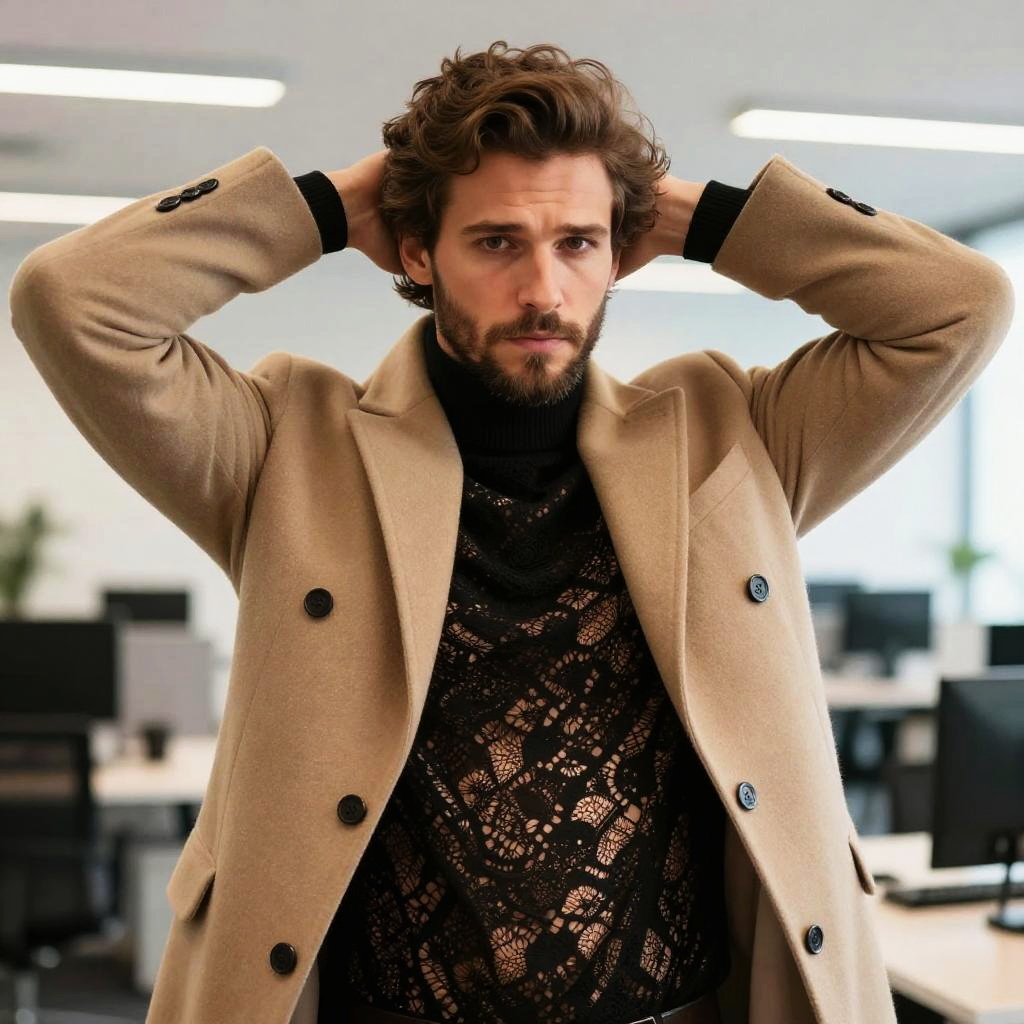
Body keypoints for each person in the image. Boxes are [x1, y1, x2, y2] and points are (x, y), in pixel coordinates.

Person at [9, 39, 1014, 1024]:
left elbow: (959, 307)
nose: (543, 289)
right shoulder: (286, 445)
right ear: (417, 250)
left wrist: (693, 216)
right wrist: (324, 206)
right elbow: (72, 301)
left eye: (577, 243)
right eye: (495, 241)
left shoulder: (731, 430)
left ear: (617, 252)